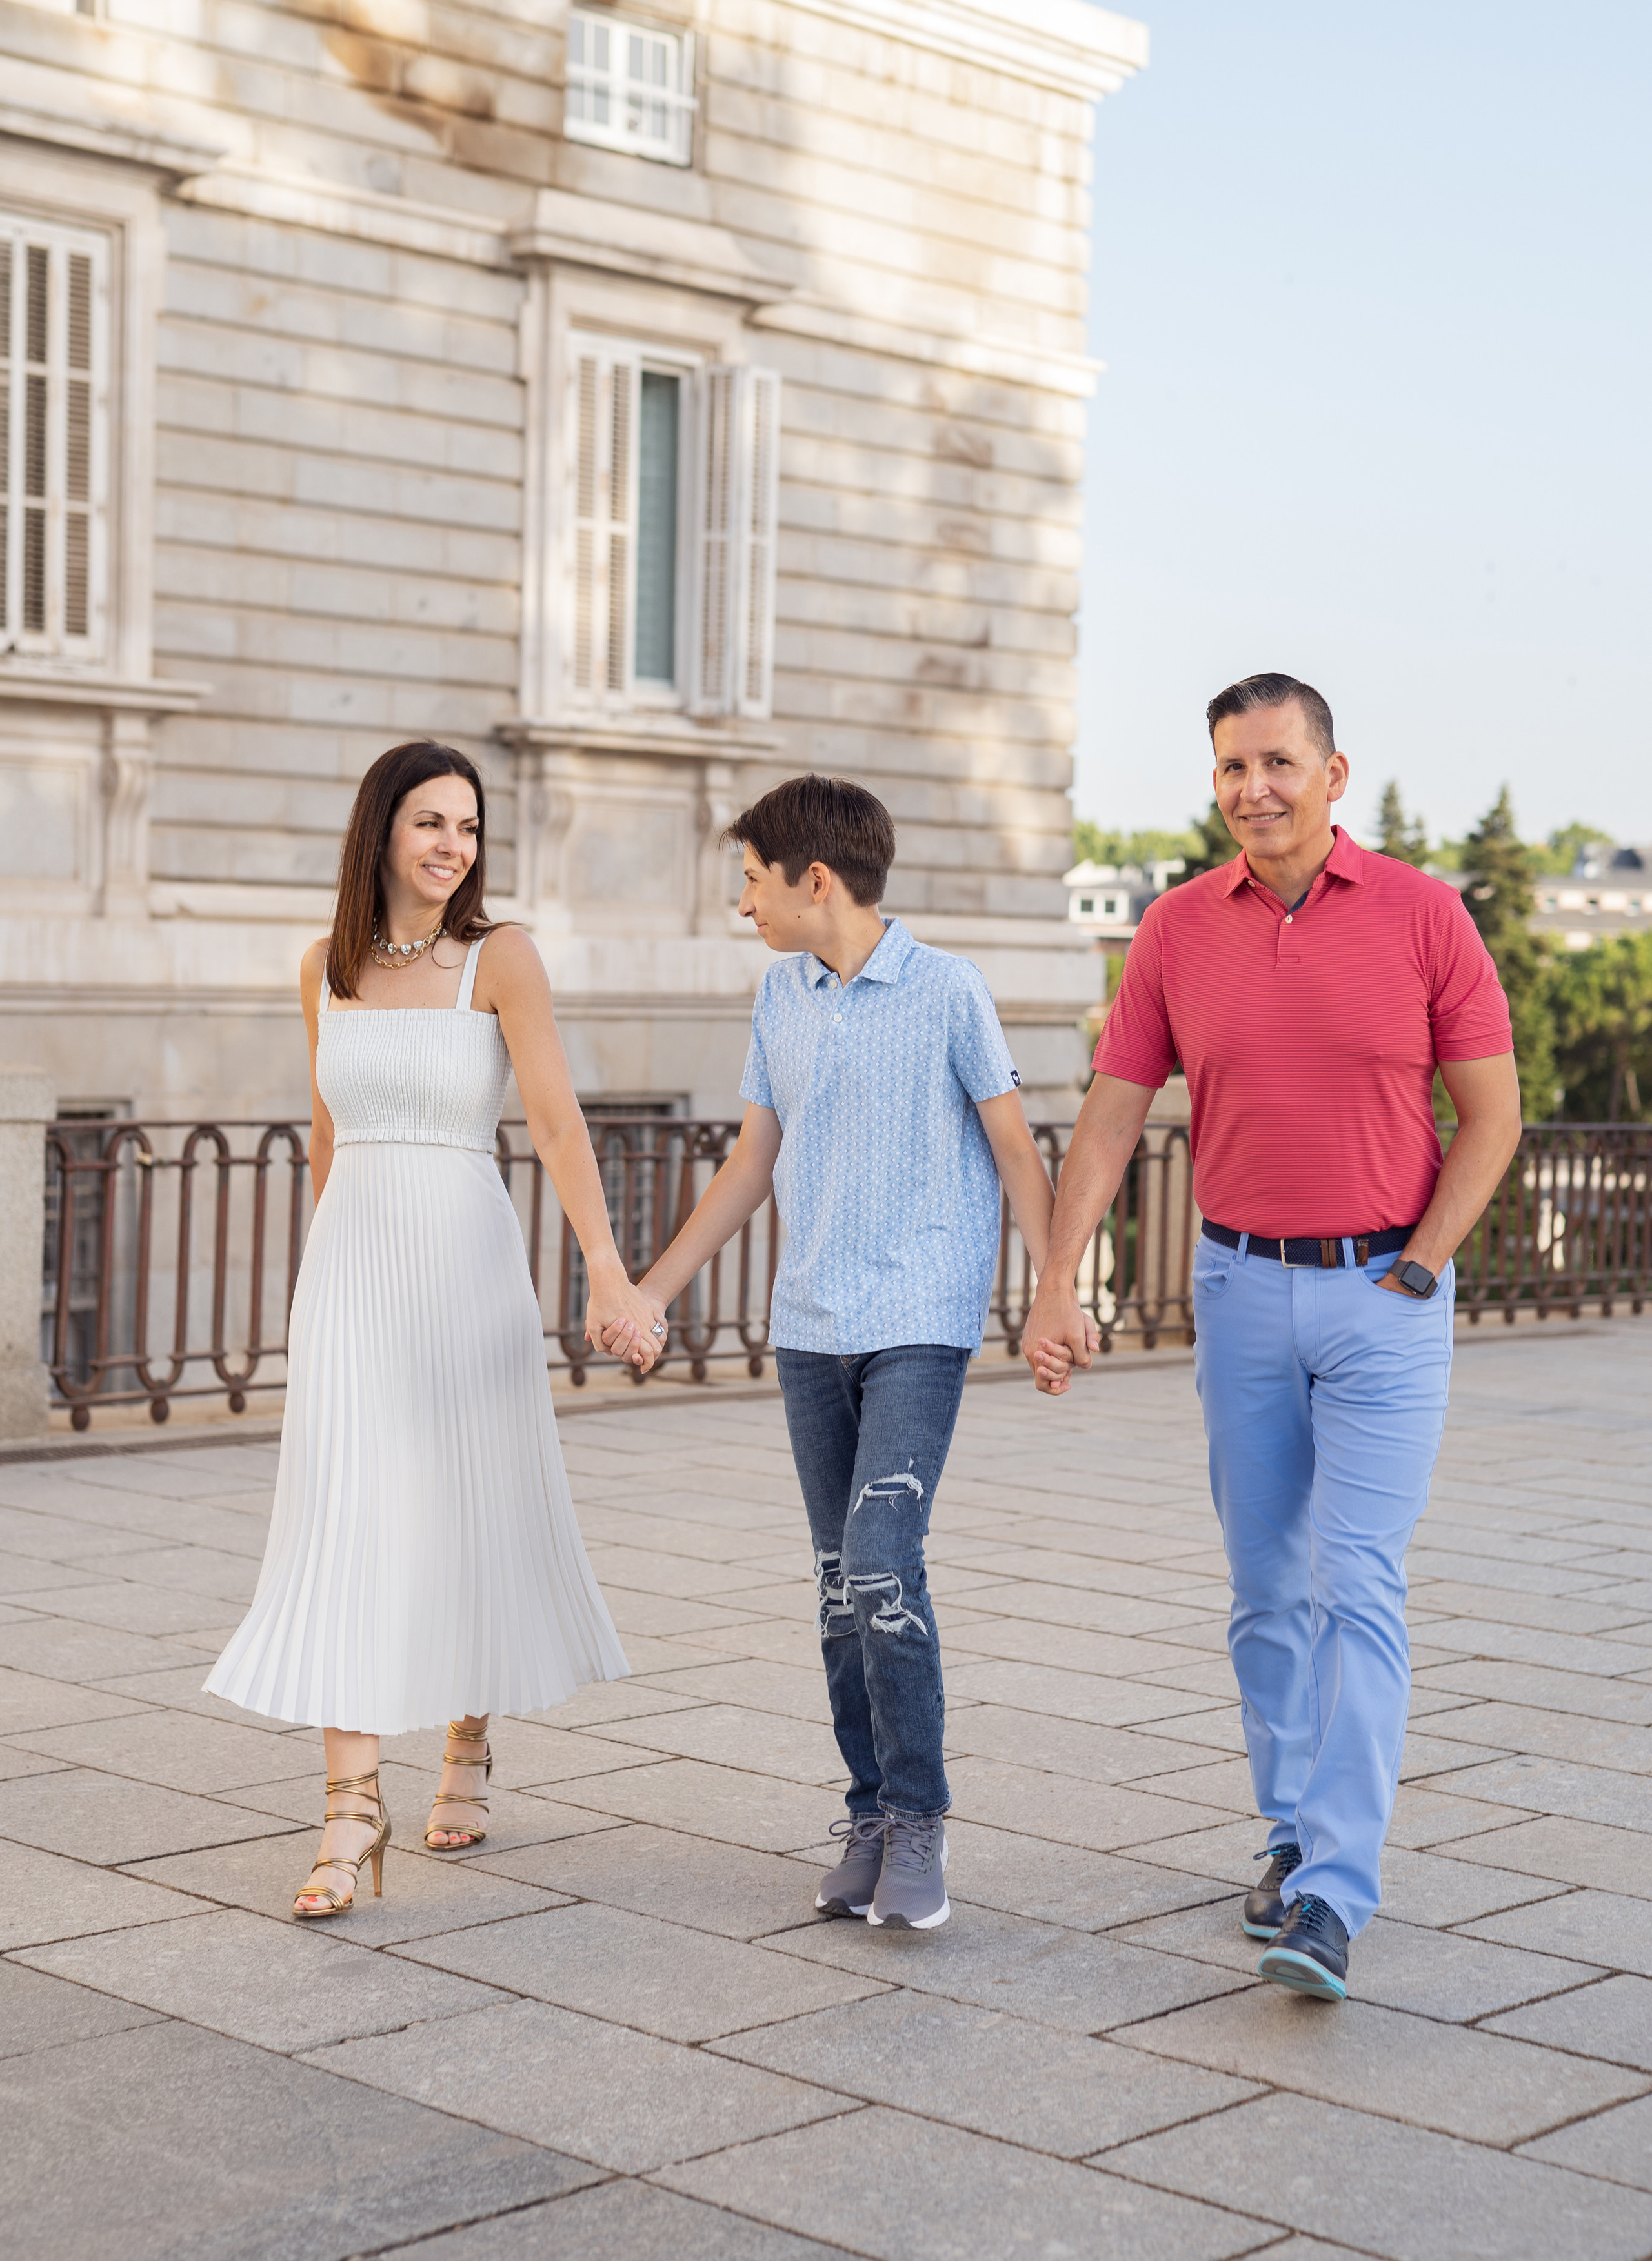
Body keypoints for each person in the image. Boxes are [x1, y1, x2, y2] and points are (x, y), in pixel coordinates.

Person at [1023, 674, 1522, 2000]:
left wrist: (1419, 1267)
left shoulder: (1424, 915)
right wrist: (1055, 1278)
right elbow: (1116, 1115)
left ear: (1332, 772)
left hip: (1382, 1300)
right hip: (1238, 1291)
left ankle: (1331, 1896)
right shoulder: (1175, 930)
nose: (1255, 788)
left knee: (1355, 1586)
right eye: (1232, 768)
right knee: (1263, 1594)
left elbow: (1491, 1115)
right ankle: (1290, 1828)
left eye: (1278, 763)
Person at [207, 740, 663, 1917]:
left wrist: (608, 1279)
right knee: (343, 1518)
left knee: (469, 1501)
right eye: (430, 822)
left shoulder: (500, 958)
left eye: (467, 826)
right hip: (354, 1267)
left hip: (464, 1258)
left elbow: (558, 1129)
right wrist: (313, 1290)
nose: (453, 845)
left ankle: (467, 1738)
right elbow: (323, 1136)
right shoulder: (326, 967)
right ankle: (351, 1813)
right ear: (383, 830)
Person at [616, 774, 1055, 1929]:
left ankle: (919, 1818)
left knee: (879, 1565)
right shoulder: (782, 998)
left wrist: (1054, 1294)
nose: (743, 904)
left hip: (918, 1320)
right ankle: (867, 1812)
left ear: (817, 880)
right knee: (835, 1592)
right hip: (811, 1326)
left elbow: (1016, 1153)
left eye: (753, 881)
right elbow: (751, 1166)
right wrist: (650, 1291)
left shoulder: (951, 991)